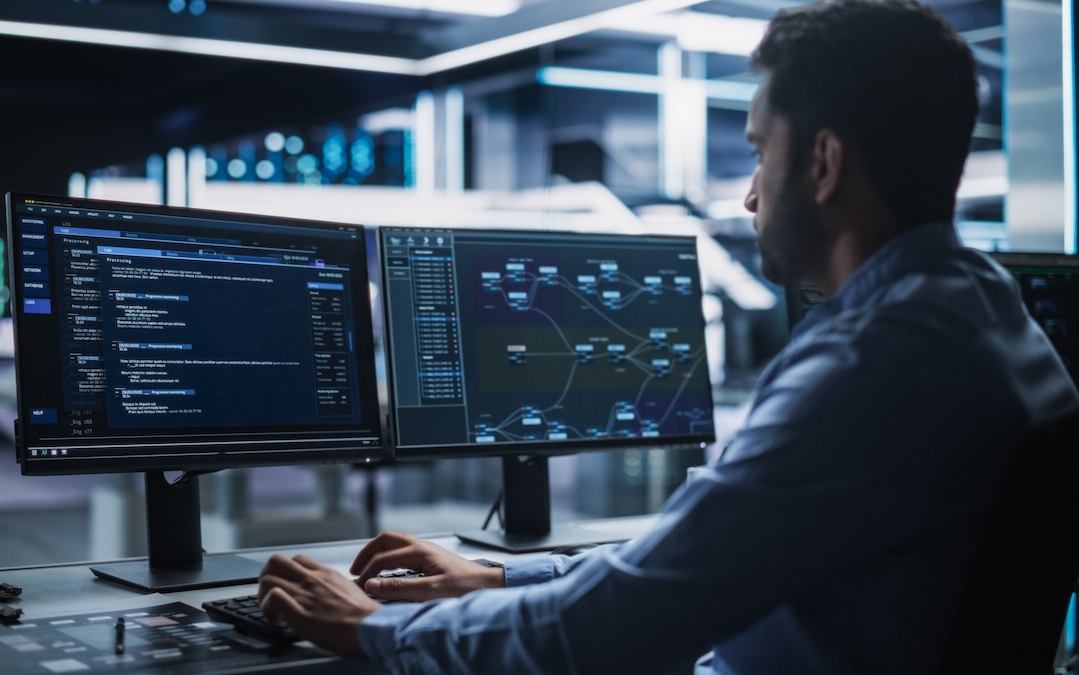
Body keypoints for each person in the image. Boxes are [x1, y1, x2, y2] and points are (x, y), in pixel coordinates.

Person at [256, 1, 1079, 672]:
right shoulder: (983, 313)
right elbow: (707, 552)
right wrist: (501, 573)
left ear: (823, 165)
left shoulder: (873, 365)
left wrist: (372, 630)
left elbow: (622, 626)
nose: (752, 196)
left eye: (762, 152)